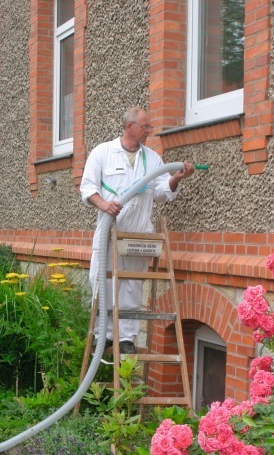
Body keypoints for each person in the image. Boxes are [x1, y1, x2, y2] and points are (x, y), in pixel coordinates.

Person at [79, 107, 194, 354]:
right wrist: (104, 204)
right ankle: (104, 334)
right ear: (129, 126)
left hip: (138, 232)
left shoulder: (152, 158)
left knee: (132, 284)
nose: (149, 131)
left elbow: (163, 192)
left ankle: (126, 338)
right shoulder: (102, 153)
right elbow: (87, 188)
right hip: (110, 230)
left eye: (150, 127)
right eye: (145, 127)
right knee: (101, 279)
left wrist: (176, 178)